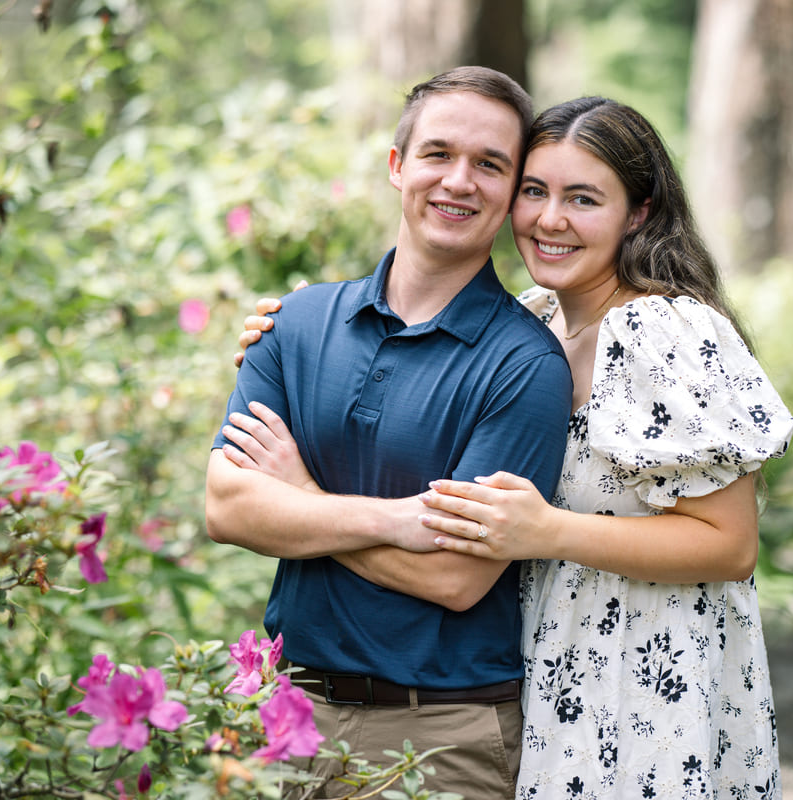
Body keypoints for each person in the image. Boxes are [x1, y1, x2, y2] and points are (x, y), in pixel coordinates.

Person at [229, 96, 793, 799]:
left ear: (639, 213)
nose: (549, 219)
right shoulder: (539, 319)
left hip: (648, 679)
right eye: (535, 191)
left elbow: (730, 543)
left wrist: (547, 531)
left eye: (583, 198)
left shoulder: (666, 330)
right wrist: (286, 335)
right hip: (553, 672)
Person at [204, 66, 573, 800]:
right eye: (439, 154)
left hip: (444, 736)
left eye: (490, 165)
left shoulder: (526, 365)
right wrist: (399, 521)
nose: (459, 181)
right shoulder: (295, 324)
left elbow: (456, 577)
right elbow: (229, 508)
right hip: (287, 717)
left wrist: (303, 498)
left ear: (511, 196)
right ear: (399, 165)